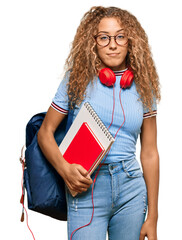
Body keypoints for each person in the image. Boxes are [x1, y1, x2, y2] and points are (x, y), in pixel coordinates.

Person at [37, 6, 161, 240]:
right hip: (86, 186)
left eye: (120, 36)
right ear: (92, 42)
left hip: (131, 188)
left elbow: (150, 152)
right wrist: (65, 170)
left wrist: (152, 216)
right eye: (104, 38)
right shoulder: (77, 80)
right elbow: (45, 133)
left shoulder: (145, 85)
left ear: (130, 41)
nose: (113, 44)